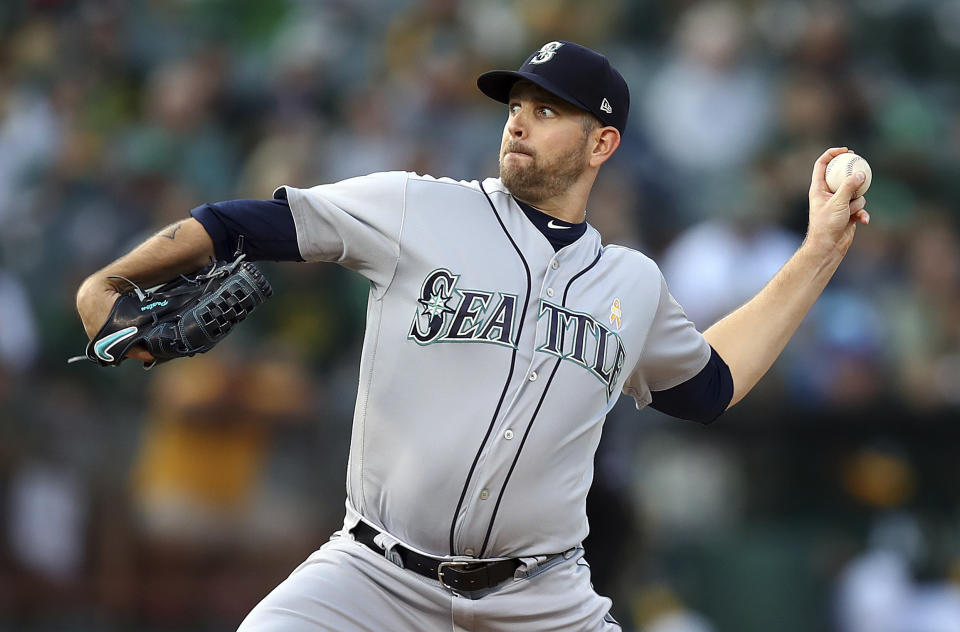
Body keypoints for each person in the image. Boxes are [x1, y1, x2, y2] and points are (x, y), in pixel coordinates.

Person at [75, 41, 870, 631]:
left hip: (543, 598)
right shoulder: (419, 208)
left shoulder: (632, 283)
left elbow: (709, 387)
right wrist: (107, 284)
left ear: (604, 142)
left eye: (548, 109)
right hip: (373, 577)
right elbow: (241, 223)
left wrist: (819, 250)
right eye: (517, 105)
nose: (520, 121)